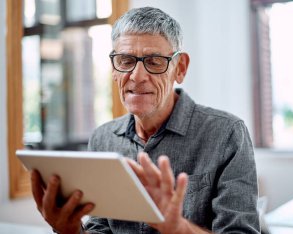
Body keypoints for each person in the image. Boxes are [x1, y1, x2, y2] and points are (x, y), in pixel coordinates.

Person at [31, 6, 260, 234]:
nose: (137, 77)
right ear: (114, 68)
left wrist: (180, 229)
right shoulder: (102, 139)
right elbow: (100, 229)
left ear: (179, 68)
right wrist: (71, 231)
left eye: (154, 61)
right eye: (125, 60)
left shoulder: (228, 133)